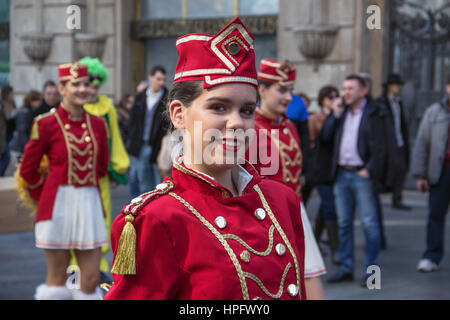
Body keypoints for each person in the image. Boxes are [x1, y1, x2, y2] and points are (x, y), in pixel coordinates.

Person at [104, 18, 306, 300]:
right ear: (178, 115)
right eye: (219, 106)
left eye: (247, 110)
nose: (236, 122)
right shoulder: (156, 219)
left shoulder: (282, 200)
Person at [16, 61, 109, 299]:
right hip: (57, 205)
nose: (82, 89)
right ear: (62, 88)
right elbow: (28, 170)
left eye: (86, 84)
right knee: (57, 280)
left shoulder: (98, 125)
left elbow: (101, 168)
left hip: (89, 203)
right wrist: (44, 197)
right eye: (75, 84)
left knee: (89, 279)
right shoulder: (45, 124)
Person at [250, 58, 326, 299]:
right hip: (263, 218)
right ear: (262, 90)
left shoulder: (290, 127)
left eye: (291, 91)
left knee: (308, 275)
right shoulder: (250, 129)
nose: (288, 97)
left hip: (295, 211)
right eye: (281, 90)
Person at [322, 74, 386, 287]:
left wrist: (369, 169)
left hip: (361, 175)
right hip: (341, 174)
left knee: (370, 224)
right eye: (344, 88)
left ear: (363, 91)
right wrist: (336, 114)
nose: (345, 92)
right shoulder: (343, 113)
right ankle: (346, 268)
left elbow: (382, 145)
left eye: (350, 88)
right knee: (343, 224)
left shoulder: (374, 113)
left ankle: (372, 272)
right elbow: (325, 137)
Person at [79, 56, 130, 279]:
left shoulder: (106, 108)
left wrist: (116, 167)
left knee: (102, 219)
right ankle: (75, 274)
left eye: (95, 84)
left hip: (99, 176)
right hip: (72, 180)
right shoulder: (70, 110)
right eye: (86, 83)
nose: (90, 89)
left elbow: (114, 139)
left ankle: (97, 269)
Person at [412, 77, 450, 272]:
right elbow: (422, 143)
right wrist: (420, 174)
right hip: (441, 171)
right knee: (435, 215)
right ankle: (431, 256)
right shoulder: (434, 112)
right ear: (447, 87)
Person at [308, 86, 340, 265]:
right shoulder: (315, 118)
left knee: (324, 208)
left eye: (335, 96)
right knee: (329, 205)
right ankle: (335, 248)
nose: (333, 99)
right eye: (329, 96)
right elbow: (313, 143)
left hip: (333, 168)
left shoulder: (339, 115)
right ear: (322, 99)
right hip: (319, 167)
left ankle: (315, 241)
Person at [126, 66, 168, 199]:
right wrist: (131, 141)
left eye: (163, 80)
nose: (161, 82)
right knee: (143, 183)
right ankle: (144, 212)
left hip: (158, 147)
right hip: (140, 145)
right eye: (158, 79)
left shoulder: (168, 99)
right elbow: (132, 122)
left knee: (159, 183)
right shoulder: (140, 97)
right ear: (150, 78)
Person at [376, 73, 411, 210]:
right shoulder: (381, 103)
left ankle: (397, 198)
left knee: (401, 170)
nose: (398, 88)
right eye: (395, 85)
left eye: (399, 85)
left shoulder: (399, 102)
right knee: (387, 169)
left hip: (399, 142)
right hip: (387, 143)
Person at [285, 93, 312, 202]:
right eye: (281, 90)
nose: (288, 98)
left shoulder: (298, 102)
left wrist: (304, 163)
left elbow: (304, 138)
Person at [10, 90, 42, 158]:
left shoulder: (27, 111)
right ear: (31, 101)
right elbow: (22, 131)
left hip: (21, 146)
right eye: (37, 101)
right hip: (20, 148)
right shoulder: (25, 113)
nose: (39, 103)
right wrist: (28, 147)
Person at [0, 85, 16, 175]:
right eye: (12, 93)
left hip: (9, 133)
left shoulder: (12, 103)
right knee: (6, 156)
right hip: (3, 134)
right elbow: (7, 116)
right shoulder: (2, 103)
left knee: (5, 157)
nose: (13, 95)